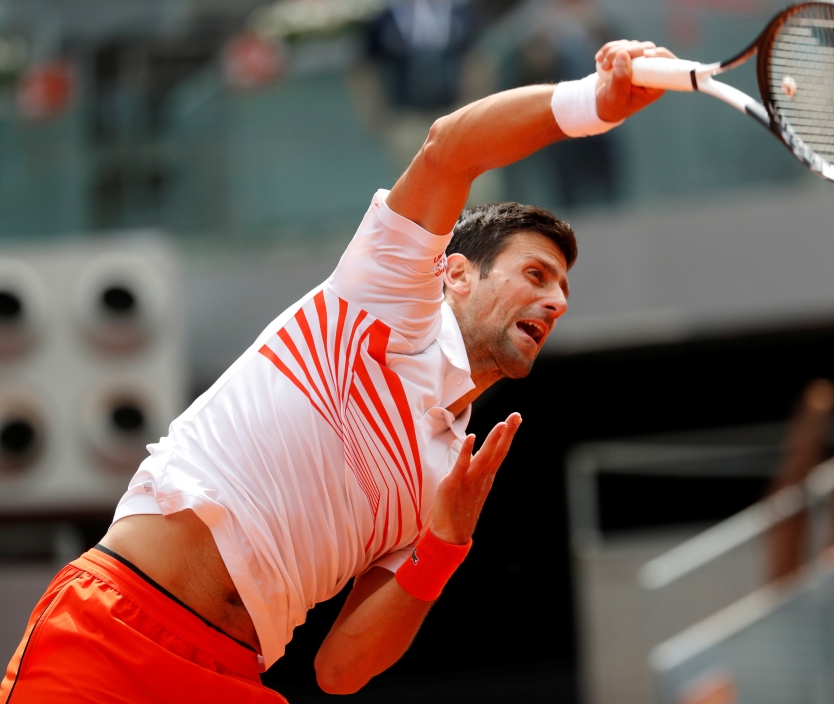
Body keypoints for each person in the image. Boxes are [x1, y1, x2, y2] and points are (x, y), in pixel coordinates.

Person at [1, 39, 674, 703]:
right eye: (535, 274)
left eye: (563, 289)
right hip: (113, 628)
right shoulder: (386, 297)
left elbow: (341, 669)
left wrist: (445, 540)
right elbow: (451, 148)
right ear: (458, 274)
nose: (555, 300)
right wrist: (595, 103)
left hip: (229, 676)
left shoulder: (446, 473)